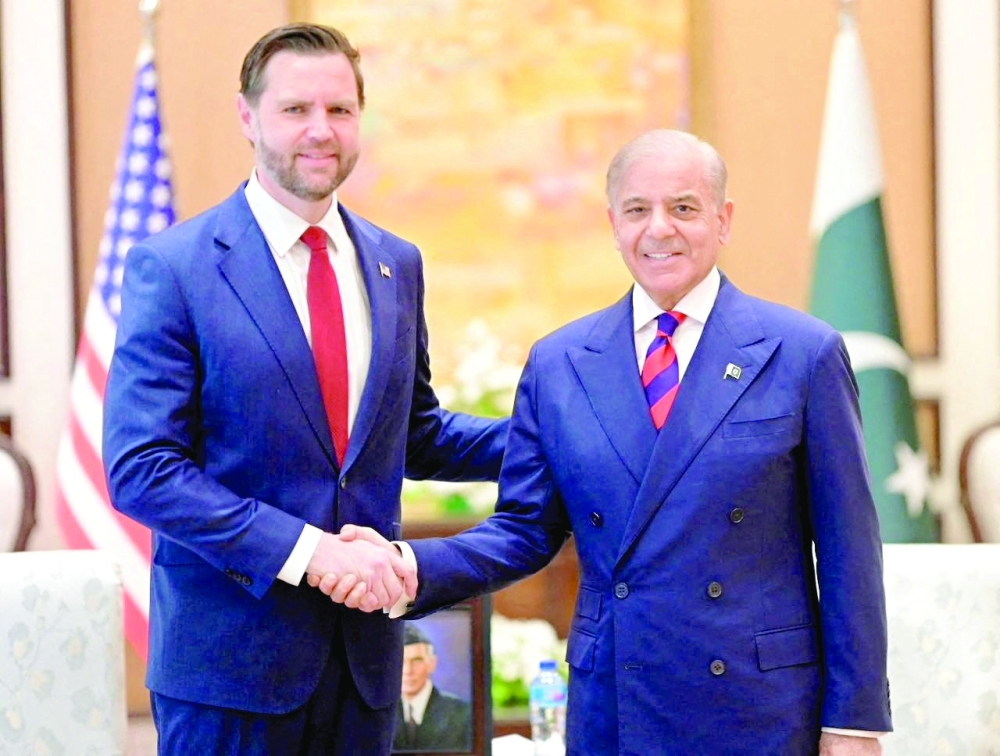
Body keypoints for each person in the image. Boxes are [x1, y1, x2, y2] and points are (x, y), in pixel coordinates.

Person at [325, 130, 892, 755]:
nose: (659, 229)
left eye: (683, 208)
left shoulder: (802, 354)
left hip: (759, 706)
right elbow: (524, 530)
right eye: (637, 210)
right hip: (617, 704)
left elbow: (849, 554)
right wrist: (409, 565)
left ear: (724, 219)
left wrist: (854, 723)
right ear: (613, 224)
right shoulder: (561, 363)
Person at [102, 23, 507, 756]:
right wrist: (311, 552)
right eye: (296, 109)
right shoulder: (175, 267)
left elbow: (414, 434)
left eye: (340, 110)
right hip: (228, 675)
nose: (321, 130)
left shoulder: (396, 264)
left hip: (364, 670)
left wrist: (562, 435)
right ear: (247, 116)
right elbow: (143, 470)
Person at [393, 623, 472, 752]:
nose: (408, 670)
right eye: (400, 661)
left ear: (432, 664)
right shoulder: (377, 714)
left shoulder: (463, 714)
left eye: (417, 660)